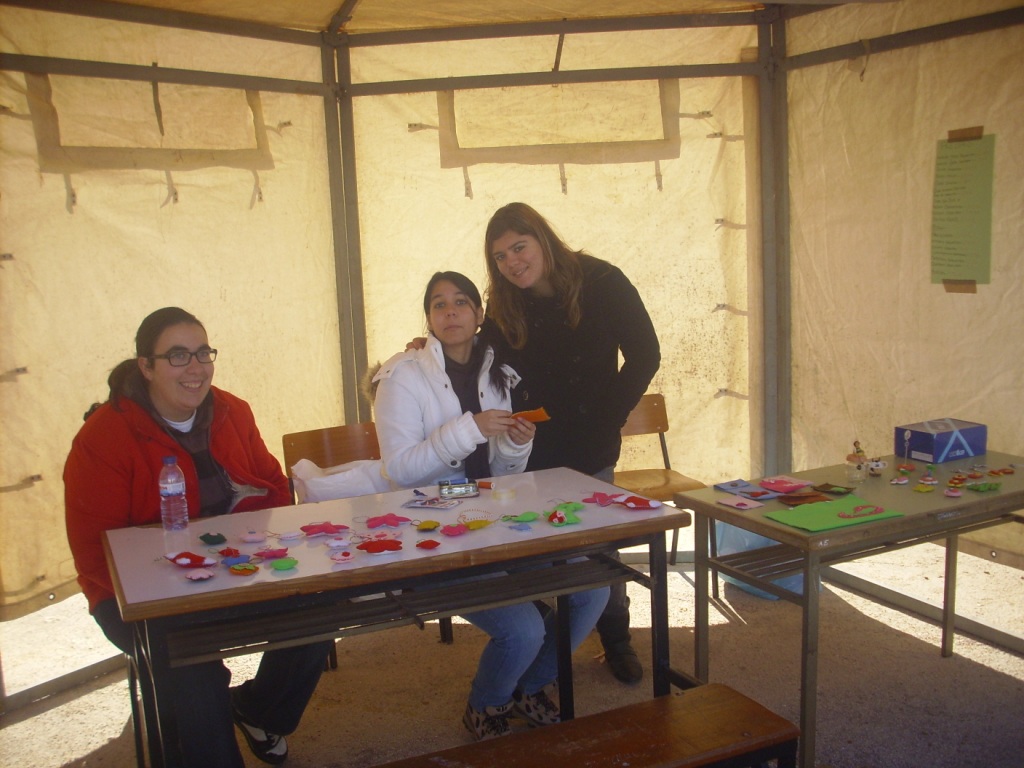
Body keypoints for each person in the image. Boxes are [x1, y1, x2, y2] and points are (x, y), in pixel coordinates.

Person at [64, 307, 331, 768]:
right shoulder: (104, 437)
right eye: (177, 355)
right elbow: (92, 551)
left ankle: (259, 711)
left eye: (203, 353)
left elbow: (272, 487)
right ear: (146, 366)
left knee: (319, 610)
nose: (195, 367)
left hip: (235, 570)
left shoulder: (232, 411)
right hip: (136, 595)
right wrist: (162, 590)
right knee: (192, 673)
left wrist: (252, 551)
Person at [373, 271, 609, 740]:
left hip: (492, 517)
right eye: (439, 304)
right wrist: (470, 429)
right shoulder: (401, 377)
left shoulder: (498, 371)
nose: (451, 312)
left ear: (479, 314)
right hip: (431, 530)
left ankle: (527, 686)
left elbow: (500, 474)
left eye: (461, 302)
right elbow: (400, 472)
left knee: (593, 590)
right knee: (523, 630)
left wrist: (517, 444)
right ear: (429, 318)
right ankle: (486, 702)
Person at [483, 202, 661, 685]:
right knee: (536, 541)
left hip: (590, 440)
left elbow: (646, 353)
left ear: (542, 239)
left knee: (599, 545)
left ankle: (616, 638)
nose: (512, 262)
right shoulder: (503, 301)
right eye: (500, 256)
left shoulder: (601, 280)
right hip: (530, 445)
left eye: (519, 247)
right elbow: (479, 352)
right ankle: (545, 635)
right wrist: (430, 347)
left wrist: (610, 417)